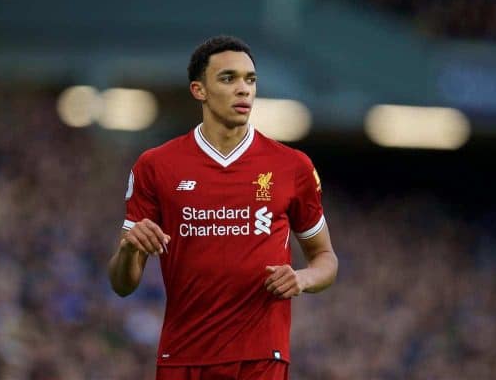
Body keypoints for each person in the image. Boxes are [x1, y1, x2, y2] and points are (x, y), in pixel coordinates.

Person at [108, 35, 338, 380]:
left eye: (250, 79)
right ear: (199, 90)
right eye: (228, 78)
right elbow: (123, 284)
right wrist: (129, 248)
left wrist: (302, 278)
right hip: (182, 355)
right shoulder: (156, 166)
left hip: (261, 357)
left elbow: (326, 259)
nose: (244, 89)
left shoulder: (293, 166)